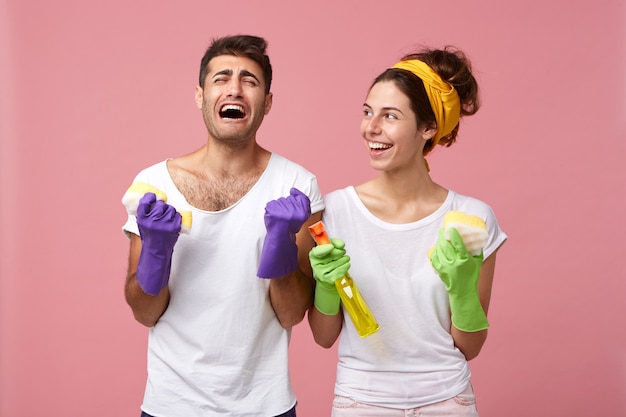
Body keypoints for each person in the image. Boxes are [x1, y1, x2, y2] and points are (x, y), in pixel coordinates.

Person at [121, 34, 323, 417]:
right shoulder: (155, 186)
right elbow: (145, 312)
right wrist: (156, 250)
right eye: (221, 78)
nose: (235, 89)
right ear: (200, 96)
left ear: (267, 102)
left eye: (250, 80)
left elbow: (293, 313)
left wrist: (279, 243)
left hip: (266, 406)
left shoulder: (297, 185)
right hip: (171, 405)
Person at [307, 46, 508, 416]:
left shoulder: (471, 217)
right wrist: (324, 284)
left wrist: (462, 289)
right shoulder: (333, 212)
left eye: (390, 116)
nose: (371, 127)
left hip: (447, 401)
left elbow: (471, 346)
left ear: (428, 127)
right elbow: (323, 337)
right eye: (367, 112)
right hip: (360, 401)